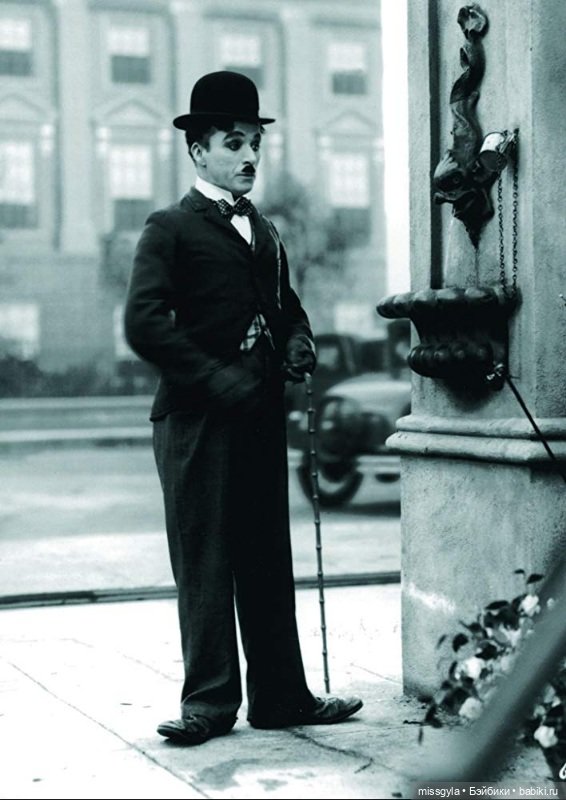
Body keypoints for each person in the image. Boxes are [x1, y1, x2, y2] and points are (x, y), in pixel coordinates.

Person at [124, 70, 363, 746]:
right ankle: (208, 704)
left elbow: (288, 310)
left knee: (265, 555)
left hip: (257, 416)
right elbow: (145, 323)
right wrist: (214, 377)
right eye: (234, 143)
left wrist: (300, 342)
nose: (250, 155)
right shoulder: (170, 228)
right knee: (205, 560)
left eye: (255, 143)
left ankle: (282, 696)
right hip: (194, 420)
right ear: (198, 150)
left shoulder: (264, 232)